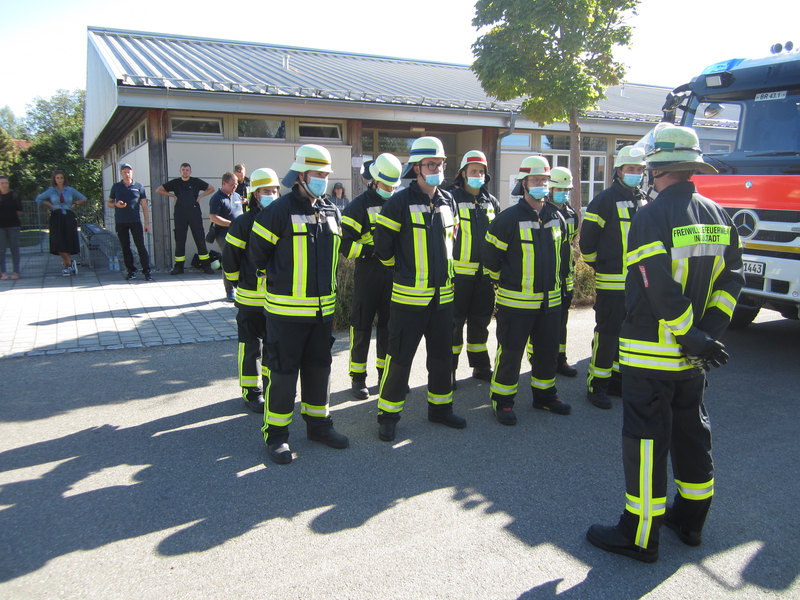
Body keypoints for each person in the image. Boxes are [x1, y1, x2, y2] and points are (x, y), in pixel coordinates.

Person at [587, 124, 744, 563]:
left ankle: (640, 534)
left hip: (651, 354)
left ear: (657, 169)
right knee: (692, 435)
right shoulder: (719, 216)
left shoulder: (650, 217)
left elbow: (655, 285)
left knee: (645, 440)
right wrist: (706, 336)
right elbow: (732, 281)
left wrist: (689, 334)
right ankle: (691, 521)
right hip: (694, 360)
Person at [249, 144, 349, 465]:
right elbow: (257, 256)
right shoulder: (277, 212)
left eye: (325, 174)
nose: (322, 179)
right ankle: (277, 436)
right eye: (317, 174)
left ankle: (319, 426)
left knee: (319, 371)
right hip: (286, 315)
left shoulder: (331, 210)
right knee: (282, 375)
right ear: (301, 175)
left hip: (322, 316)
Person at [373, 136, 466, 442]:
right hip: (409, 299)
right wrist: (403, 271)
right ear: (416, 168)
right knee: (399, 359)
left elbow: (453, 242)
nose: (437, 169)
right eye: (431, 164)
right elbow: (382, 248)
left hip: (443, 299)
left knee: (441, 358)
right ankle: (388, 416)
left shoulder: (448, 200)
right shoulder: (398, 203)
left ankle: (440, 409)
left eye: (440, 164)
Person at [483, 155, 571, 426]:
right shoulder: (507, 219)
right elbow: (490, 261)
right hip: (516, 304)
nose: (541, 185)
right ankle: (502, 401)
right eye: (536, 180)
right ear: (524, 184)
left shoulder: (557, 217)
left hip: (550, 303)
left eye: (545, 180)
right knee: (510, 354)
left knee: (547, 352)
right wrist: (507, 285)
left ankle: (545, 396)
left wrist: (563, 288)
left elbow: (564, 258)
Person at [579, 146, 647, 409]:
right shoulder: (604, 200)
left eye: (639, 169)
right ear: (619, 171)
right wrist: (602, 265)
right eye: (631, 169)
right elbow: (587, 242)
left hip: (637, 284)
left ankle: (617, 380)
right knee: (607, 335)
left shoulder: (642, 200)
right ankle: (597, 385)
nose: (635, 173)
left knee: (626, 335)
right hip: (611, 282)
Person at [339, 153, 402, 399]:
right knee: (361, 327)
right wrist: (373, 250)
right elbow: (345, 247)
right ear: (374, 180)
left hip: (393, 274)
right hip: (368, 274)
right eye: (386, 185)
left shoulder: (399, 203)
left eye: (393, 186)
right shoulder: (358, 206)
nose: (390, 190)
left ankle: (384, 376)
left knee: (389, 327)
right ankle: (358, 379)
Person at [223, 168, 280, 413]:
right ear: (255, 194)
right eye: (266, 191)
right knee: (250, 347)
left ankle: (268, 387)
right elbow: (230, 259)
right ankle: (251, 392)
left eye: (275, 190)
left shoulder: (281, 220)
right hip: (250, 298)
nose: (271, 195)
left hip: (276, 299)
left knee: (272, 346)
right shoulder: (243, 223)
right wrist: (239, 283)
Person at [448, 150, 499, 389]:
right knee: (454, 324)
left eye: (481, 171)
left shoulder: (491, 202)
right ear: (463, 173)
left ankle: (480, 366)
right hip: (458, 276)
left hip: (484, 276)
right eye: (473, 171)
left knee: (480, 322)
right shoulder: (451, 199)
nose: (478, 175)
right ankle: (449, 369)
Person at [156, 163, 215, 275]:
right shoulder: (175, 182)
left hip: (194, 214)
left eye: (187, 170)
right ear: (180, 171)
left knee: (200, 239)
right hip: (180, 214)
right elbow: (159, 190)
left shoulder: (196, 181)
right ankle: (179, 267)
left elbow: (211, 189)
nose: (185, 171)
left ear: (190, 172)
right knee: (180, 240)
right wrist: (173, 196)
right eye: (183, 169)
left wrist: (200, 196)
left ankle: (206, 266)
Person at [548, 166, 579, 377]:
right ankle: (541, 360)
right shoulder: (543, 213)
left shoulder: (571, 214)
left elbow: (571, 242)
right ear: (550, 190)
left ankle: (561, 358)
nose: (563, 193)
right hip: (548, 278)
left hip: (565, 277)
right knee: (545, 324)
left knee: (562, 322)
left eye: (566, 190)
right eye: (559, 189)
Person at [35, 170, 86, 276]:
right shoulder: (51, 190)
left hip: (68, 216)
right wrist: (49, 204)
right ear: (54, 179)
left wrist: (75, 204)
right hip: (56, 216)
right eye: (57, 178)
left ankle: (66, 266)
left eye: (61, 178)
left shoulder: (69, 190)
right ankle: (69, 263)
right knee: (57, 241)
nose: (59, 180)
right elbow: (38, 199)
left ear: (64, 179)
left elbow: (83, 198)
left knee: (67, 240)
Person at [107, 163, 152, 281]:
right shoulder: (116, 187)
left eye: (129, 172)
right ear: (121, 174)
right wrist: (116, 205)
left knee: (140, 246)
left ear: (132, 173)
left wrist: (147, 223)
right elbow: (109, 203)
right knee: (125, 247)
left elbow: (144, 205)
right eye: (124, 172)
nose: (127, 174)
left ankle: (147, 271)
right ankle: (131, 271)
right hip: (121, 221)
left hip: (135, 221)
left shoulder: (138, 186)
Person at [209, 172, 244, 301]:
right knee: (229, 260)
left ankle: (241, 287)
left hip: (239, 233)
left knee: (241, 259)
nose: (235, 187)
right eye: (232, 185)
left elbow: (240, 212)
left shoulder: (236, 196)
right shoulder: (217, 198)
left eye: (236, 184)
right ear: (224, 183)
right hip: (223, 234)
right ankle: (229, 290)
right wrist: (231, 224)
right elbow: (213, 217)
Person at [0, 175, 23, 281]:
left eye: (6, 183)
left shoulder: (14, 195)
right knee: (1, 250)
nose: (4, 185)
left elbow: (19, 210)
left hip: (13, 225)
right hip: (1, 227)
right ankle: (3, 273)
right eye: (2, 183)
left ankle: (15, 272)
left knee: (14, 249)